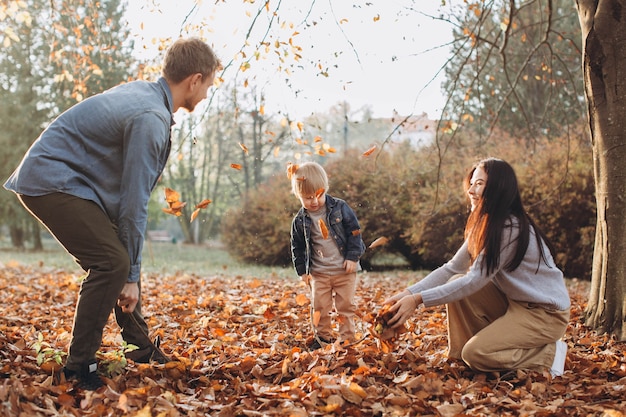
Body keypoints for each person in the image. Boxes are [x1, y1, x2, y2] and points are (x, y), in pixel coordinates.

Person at [3, 37, 221, 390]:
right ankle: (79, 368)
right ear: (194, 80)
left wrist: (130, 268)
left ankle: (139, 348)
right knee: (113, 264)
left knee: (117, 257)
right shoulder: (151, 116)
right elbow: (134, 203)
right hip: (52, 180)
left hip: (64, 181)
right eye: (209, 84)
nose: (207, 93)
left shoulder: (146, 95)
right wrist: (131, 274)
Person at [381, 158, 571, 377]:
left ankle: (549, 354)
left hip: (545, 314)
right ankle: (462, 358)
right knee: (454, 283)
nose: (471, 190)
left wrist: (418, 301)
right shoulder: (486, 222)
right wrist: (408, 293)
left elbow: (474, 280)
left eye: (479, 184)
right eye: (471, 183)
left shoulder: (509, 228)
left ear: (498, 188)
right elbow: (451, 269)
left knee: (477, 354)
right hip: (517, 303)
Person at [288, 161, 366, 350]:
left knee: (345, 306)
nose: (314, 201)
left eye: (319, 195)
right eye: (308, 197)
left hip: (343, 270)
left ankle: (347, 338)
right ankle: (323, 338)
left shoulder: (340, 208)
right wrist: (302, 271)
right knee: (320, 307)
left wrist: (352, 257)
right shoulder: (300, 220)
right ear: (298, 195)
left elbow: (354, 232)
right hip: (319, 273)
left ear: (326, 189)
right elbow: (296, 247)